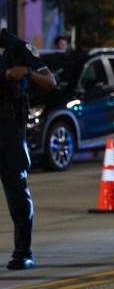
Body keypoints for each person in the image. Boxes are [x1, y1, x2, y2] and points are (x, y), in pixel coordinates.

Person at [1, 29, 56, 270]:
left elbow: (51, 82)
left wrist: (27, 71)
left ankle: (22, 251)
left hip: (9, 125)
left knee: (16, 187)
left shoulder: (16, 47)